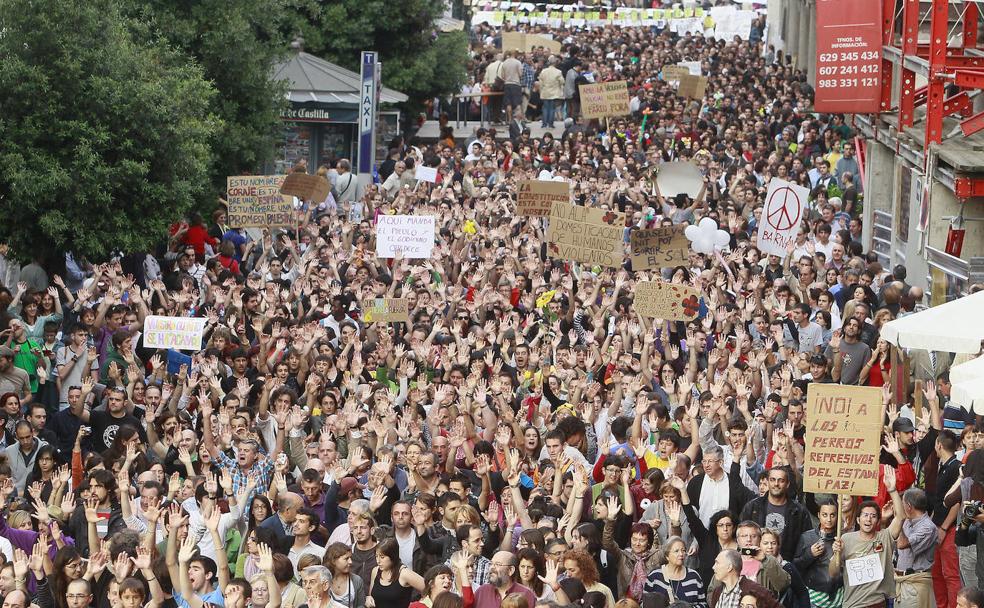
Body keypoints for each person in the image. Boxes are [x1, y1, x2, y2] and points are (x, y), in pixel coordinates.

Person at [829, 467, 905, 608]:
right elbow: (833, 573)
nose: (868, 519)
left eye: (873, 516)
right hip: (852, 604)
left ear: (877, 521)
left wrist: (892, 490)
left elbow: (900, 517)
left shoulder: (884, 537)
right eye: (865, 515)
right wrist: (836, 554)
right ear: (858, 520)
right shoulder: (845, 539)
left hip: (876, 603)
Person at [707, 550, 781, 608]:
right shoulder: (717, 592)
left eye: (717, 563)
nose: (713, 567)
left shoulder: (755, 590)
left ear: (729, 567)